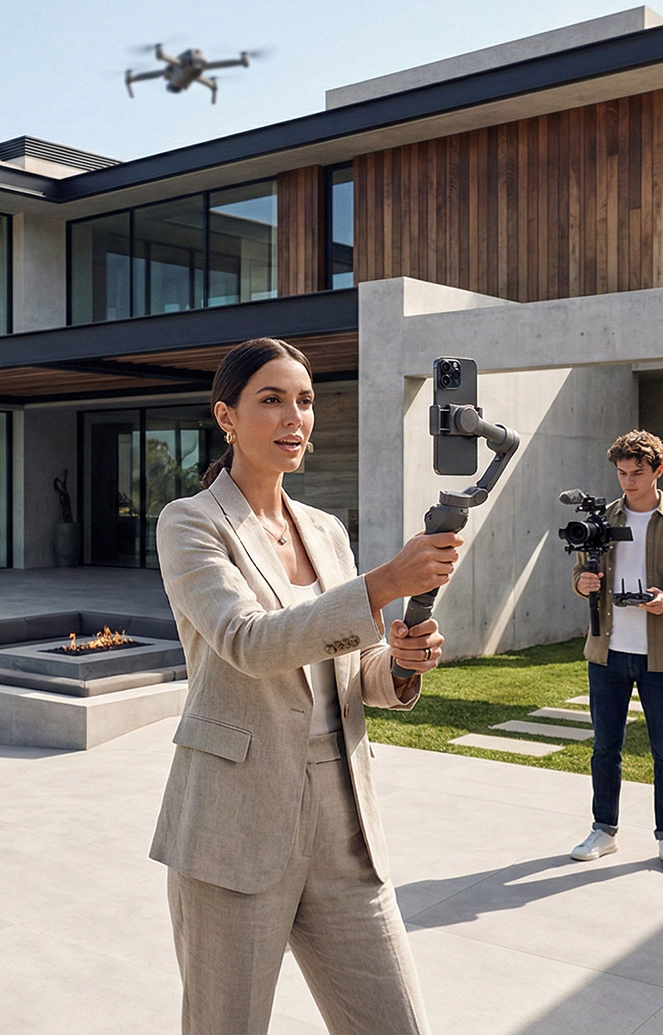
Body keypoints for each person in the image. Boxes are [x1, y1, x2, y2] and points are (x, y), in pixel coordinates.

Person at [152, 337, 460, 1034]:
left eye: (306, 400)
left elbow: (360, 672)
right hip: (232, 826)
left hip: (344, 823)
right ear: (225, 416)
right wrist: (385, 583)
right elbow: (249, 642)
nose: (295, 417)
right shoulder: (191, 523)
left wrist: (404, 661)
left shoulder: (326, 530)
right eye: (271, 399)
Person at [568, 430, 663, 876]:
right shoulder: (602, 519)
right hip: (607, 650)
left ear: (658, 470)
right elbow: (578, 573)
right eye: (621, 473)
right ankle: (604, 830)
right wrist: (583, 583)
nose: (628, 482)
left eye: (637, 473)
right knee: (604, 748)